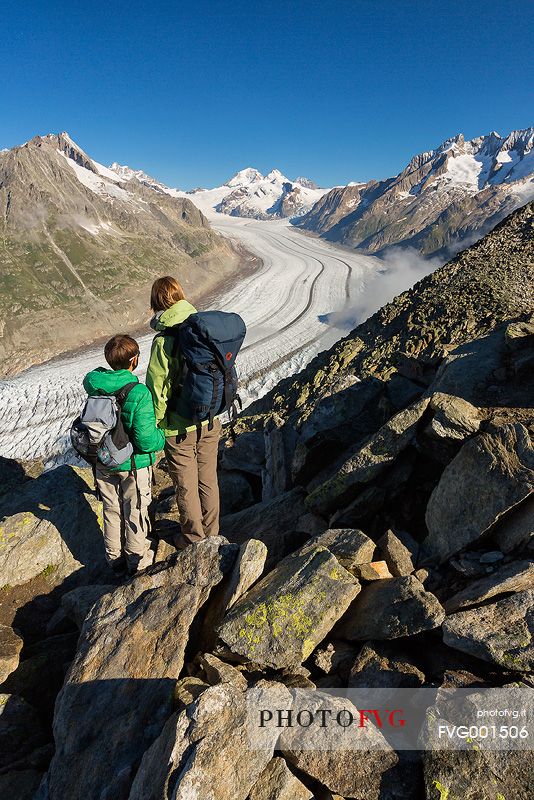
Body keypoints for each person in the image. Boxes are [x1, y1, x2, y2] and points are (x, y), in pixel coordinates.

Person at [146, 276, 221, 549]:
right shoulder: (203, 328)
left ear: (157, 302)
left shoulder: (165, 339)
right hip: (210, 418)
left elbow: (157, 388)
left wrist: (155, 426)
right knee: (208, 478)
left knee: (186, 484)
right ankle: (213, 533)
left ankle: (193, 536)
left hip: (179, 426)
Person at [83, 334, 165, 577]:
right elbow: (146, 440)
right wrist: (163, 436)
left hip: (102, 459)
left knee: (110, 509)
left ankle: (114, 560)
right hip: (132, 464)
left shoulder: (95, 386)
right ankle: (136, 562)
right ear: (135, 359)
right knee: (136, 509)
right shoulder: (138, 392)